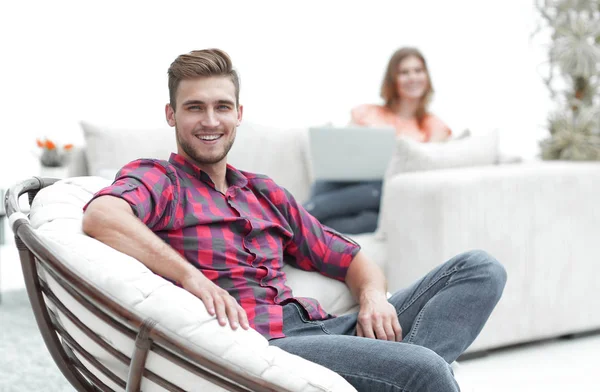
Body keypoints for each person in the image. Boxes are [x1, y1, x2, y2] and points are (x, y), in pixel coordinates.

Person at [82, 48, 506, 391]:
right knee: (427, 370)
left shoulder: (264, 192)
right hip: (269, 347)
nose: (210, 121)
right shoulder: (160, 178)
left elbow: (350, 258)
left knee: (480, 269)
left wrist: (374, 297)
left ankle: (394, 374)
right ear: (172, 114)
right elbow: (102, 216)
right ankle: (408, 371)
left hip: (327, 328)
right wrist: (193, 278)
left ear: (238, 114)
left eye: (221, 107)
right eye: (195, 108)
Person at [304, 47, 451, 234]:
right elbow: (345, 152)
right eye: (404, 72)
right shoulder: (368, 113)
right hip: (355, 182)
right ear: (393, 79)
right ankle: (305, 226)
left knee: (372, 214)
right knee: (323, 183)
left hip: (386, 192)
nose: (412, 77)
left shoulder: (433, 126)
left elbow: (426, 167)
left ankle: (299, 217)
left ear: (426, 76)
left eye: (418, 70)